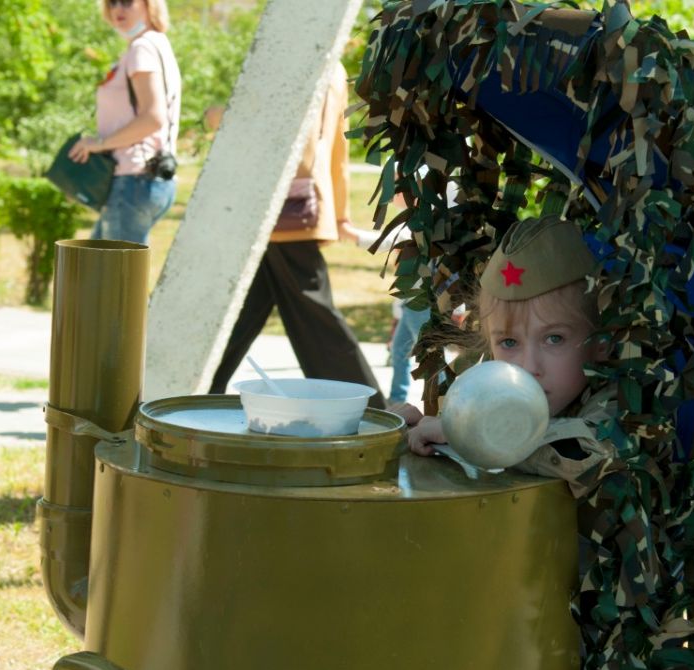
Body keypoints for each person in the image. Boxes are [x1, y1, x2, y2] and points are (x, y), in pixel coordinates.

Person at [207, 61, 384, 408]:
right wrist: (338, 213)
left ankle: (369, 409)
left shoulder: (306, 63)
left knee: (313, 315)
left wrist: (223, 117)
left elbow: (281, 132)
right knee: (240, 310)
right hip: (292, 205)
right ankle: (195, 389)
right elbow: (338, 148)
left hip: (282, 206)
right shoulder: (332, 66)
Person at [402, 216, 613, 494]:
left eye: (554, 339)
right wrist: (417, 430)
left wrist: (470, 435)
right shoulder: (490, 396)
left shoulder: (618, 406)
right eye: (509, 342)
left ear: (601, 342)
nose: (528, 367)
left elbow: (589, 453)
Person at [68, 0, 181, 246]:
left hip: (134, 181)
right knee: (97, 272)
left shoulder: (142, 48)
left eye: (128, 1)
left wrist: (99, 144)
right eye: (112, 2)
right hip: (148, 178)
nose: (118, 8)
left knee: (114, 280)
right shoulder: (156, 43)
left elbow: (152, 118)